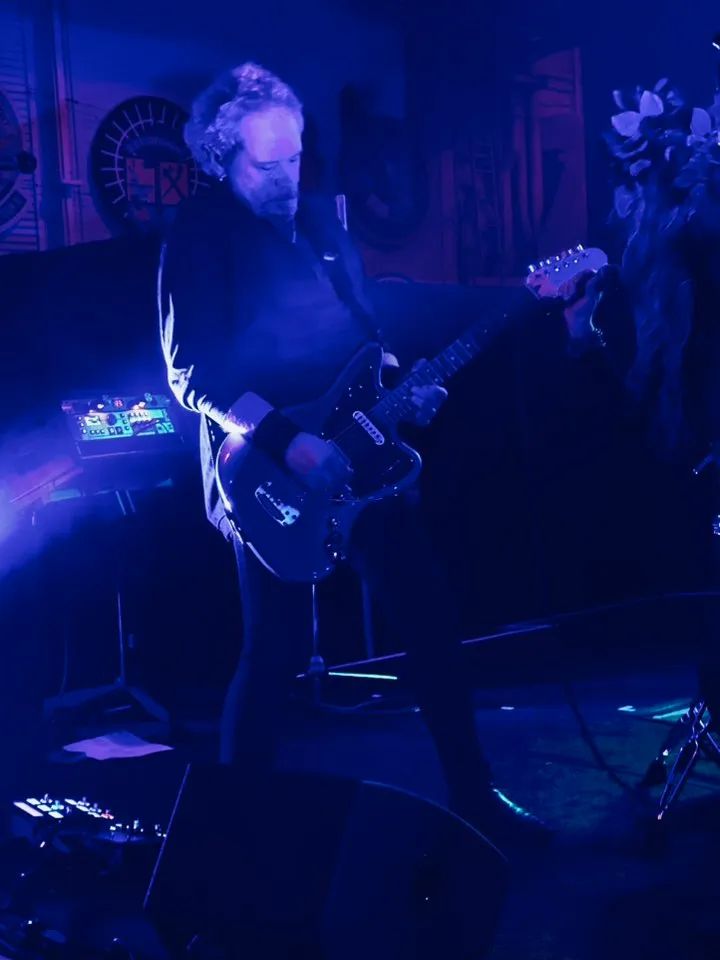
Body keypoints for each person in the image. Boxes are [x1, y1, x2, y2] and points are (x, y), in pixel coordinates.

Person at [158, 61, 547, 847]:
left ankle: (475, 799)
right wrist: (287, 441)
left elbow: (364, 334)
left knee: (429, 616)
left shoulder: (321, 226)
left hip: (360, 455)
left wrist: (400, 389)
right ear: (222, 156)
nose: (284, 178)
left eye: (294, 157)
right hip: (263, 466)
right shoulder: (199, 233)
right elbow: (190, 370)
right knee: (275, 650)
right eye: (265, 165)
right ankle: (231, 840)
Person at [560, 78, 720, 718]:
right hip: (682, 462)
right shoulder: (637, 279)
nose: (623, 201)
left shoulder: (698, 252)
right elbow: (632, 407)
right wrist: (584, 336)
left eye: (636, 181)